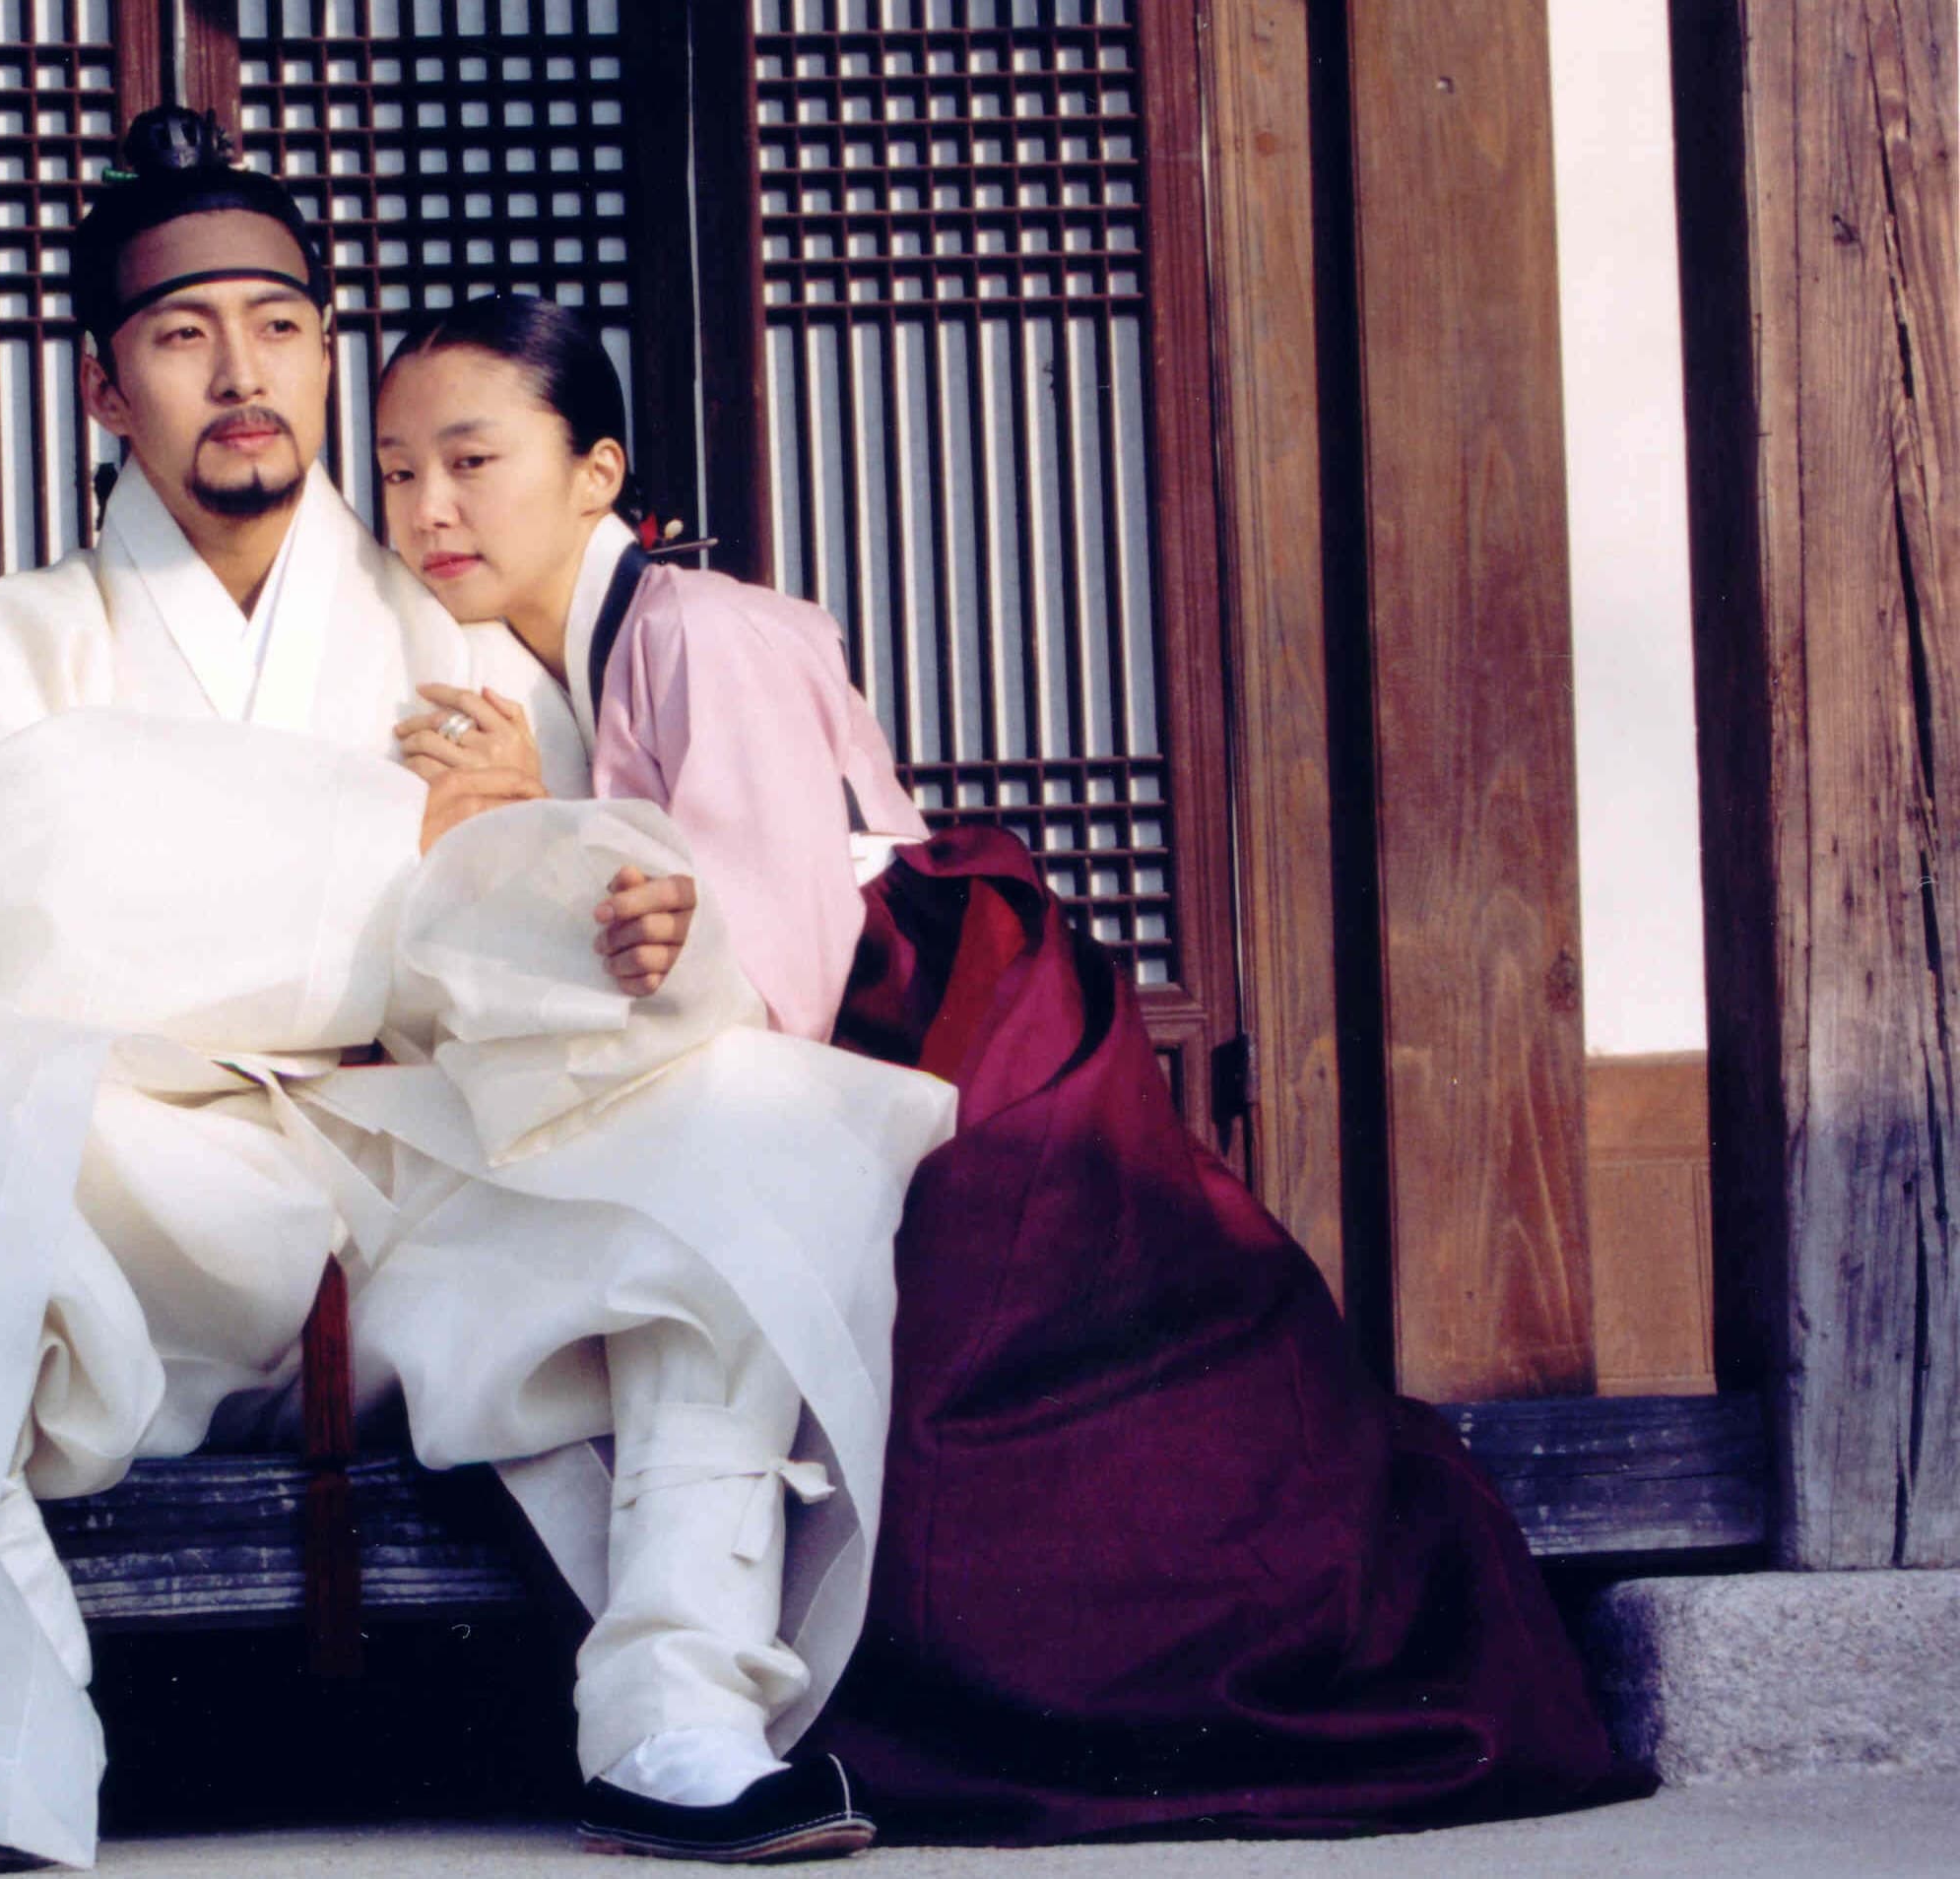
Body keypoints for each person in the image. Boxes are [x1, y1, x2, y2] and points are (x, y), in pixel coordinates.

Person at [0, 110, 958, 1872]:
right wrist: (391, 844)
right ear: (106, 392)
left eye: (278, 326)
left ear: (327, 356)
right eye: (183, 336)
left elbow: (548, 986)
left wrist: (582, 889)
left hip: (414, 1192)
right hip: (143, 1198)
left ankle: (678, 1714)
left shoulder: (461, 637)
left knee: (755, 1114)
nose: (241, 373)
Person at [367, 292, 1644, 1843]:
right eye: (398, 471)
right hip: (858, 1005)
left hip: (922, 1005)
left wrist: (557, 851)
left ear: (597, 472)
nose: (429, 509)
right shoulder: (560, 656)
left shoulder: (699, 629)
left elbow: (776, 947)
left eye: (472, 461)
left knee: (1003, 1409)